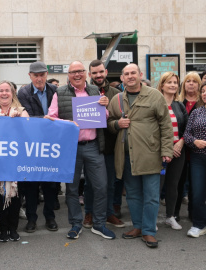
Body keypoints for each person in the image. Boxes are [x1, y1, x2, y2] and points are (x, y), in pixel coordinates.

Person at [108, 63, 173, 248]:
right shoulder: (118, 100)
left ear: (140, 75)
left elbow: (166, 126)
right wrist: (117, 124)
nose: (130, 76)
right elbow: (110, 122)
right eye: (126, 74)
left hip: (150, 155)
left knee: (151, 196)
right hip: (127, 156)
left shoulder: (155, 96)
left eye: (133, 73)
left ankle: (149, 231)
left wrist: (167, 150)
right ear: (122, 78)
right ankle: (137, 227)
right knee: (133, 195)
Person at [48, 61, 115, 240]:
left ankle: (99, 224)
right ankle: (76, 224)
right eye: (72, 72)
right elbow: (51, 118)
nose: (76, 75)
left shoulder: (94, 91)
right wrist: (67, 124)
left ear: (86, 73)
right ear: (68, 75)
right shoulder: (60, 92)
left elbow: (105, 117)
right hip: (71, 148)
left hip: (93, 145)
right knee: (72, 189)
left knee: (101, 186)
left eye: (79, 71)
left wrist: (104, 107)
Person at [17, 61, 59, 233]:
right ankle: (31, 219)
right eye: (36, 75)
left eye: (42, 74)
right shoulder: (23, 92)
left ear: (46, 74)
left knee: (50, 184)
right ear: (30, 76)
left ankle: (50, 217)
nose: (39, 78)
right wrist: (46, 119)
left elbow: (60, 114)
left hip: (51, 145)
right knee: (31, 185)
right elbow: (27, 117)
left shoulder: (55, 90)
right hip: (31, 145)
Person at [0, 80, 29, 242]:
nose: (4, 93)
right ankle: (3, 229)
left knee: (16, 196)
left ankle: (13, 228)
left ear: (12, 93)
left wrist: (19, 120)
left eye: (7, 90)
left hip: (16, 162)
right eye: (0, 91)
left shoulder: (22, 111)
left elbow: (29, 132)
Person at [86, 60, 124, 228]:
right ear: (90, 75)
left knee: (109, 182)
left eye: (100, 72)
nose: (98, 75)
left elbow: (119, 118)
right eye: (94, 73)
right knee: (89, 183)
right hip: (91, 144)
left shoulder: (116, 93)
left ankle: (109, 213)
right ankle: (89, 213)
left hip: (109, 145)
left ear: (106, 72)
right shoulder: (83, 92)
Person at [157, 72, 188, 231]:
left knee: (173, 186)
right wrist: (168, 148)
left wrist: (180, 144)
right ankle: (152, 218)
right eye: (169, 82)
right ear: (162, 85)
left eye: (175, 82)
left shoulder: (179, 105)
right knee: (157, 186)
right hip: (161, 153)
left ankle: (170, 217)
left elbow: (187, 128)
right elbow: (154, 131)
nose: (173, 85)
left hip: (178, 152)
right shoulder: (156, 104)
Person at [177, 72, 202, 220]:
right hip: (180, 148)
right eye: (188, 81)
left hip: (197, 150)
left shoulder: (202, 103)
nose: (191, 83)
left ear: (199, 85)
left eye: (194, 81)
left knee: (195, 184)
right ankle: (175, 213)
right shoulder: (179, 102)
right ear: (184, 84)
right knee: (179, 183)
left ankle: (193, 213)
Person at [184, 82, 206, 238]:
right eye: (203, 91)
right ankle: (199, 225)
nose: (205, 93)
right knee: (197, 193)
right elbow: (186, 135)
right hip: (198, 158)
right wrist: (194, 141)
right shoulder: (196, 113)